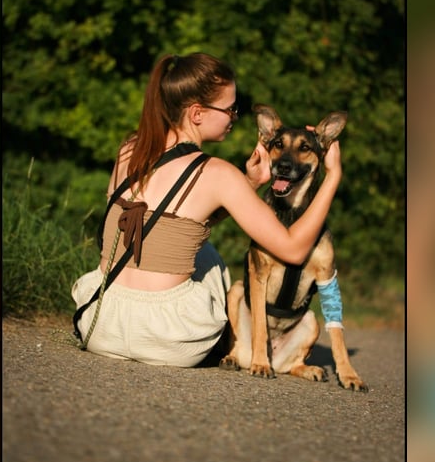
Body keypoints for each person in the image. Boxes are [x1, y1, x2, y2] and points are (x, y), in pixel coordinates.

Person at [71, 52, 342, 367]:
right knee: (210, 258)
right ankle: (236, 342)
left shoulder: (130, 148)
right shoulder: (218, 174)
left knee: (187, 243)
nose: (235, 117)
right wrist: (333, 175)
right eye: (230, 109)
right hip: (167, 341)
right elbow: (295, 251)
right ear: (197, 113)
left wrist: (249, 184)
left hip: (99, 324)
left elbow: (167, 225)